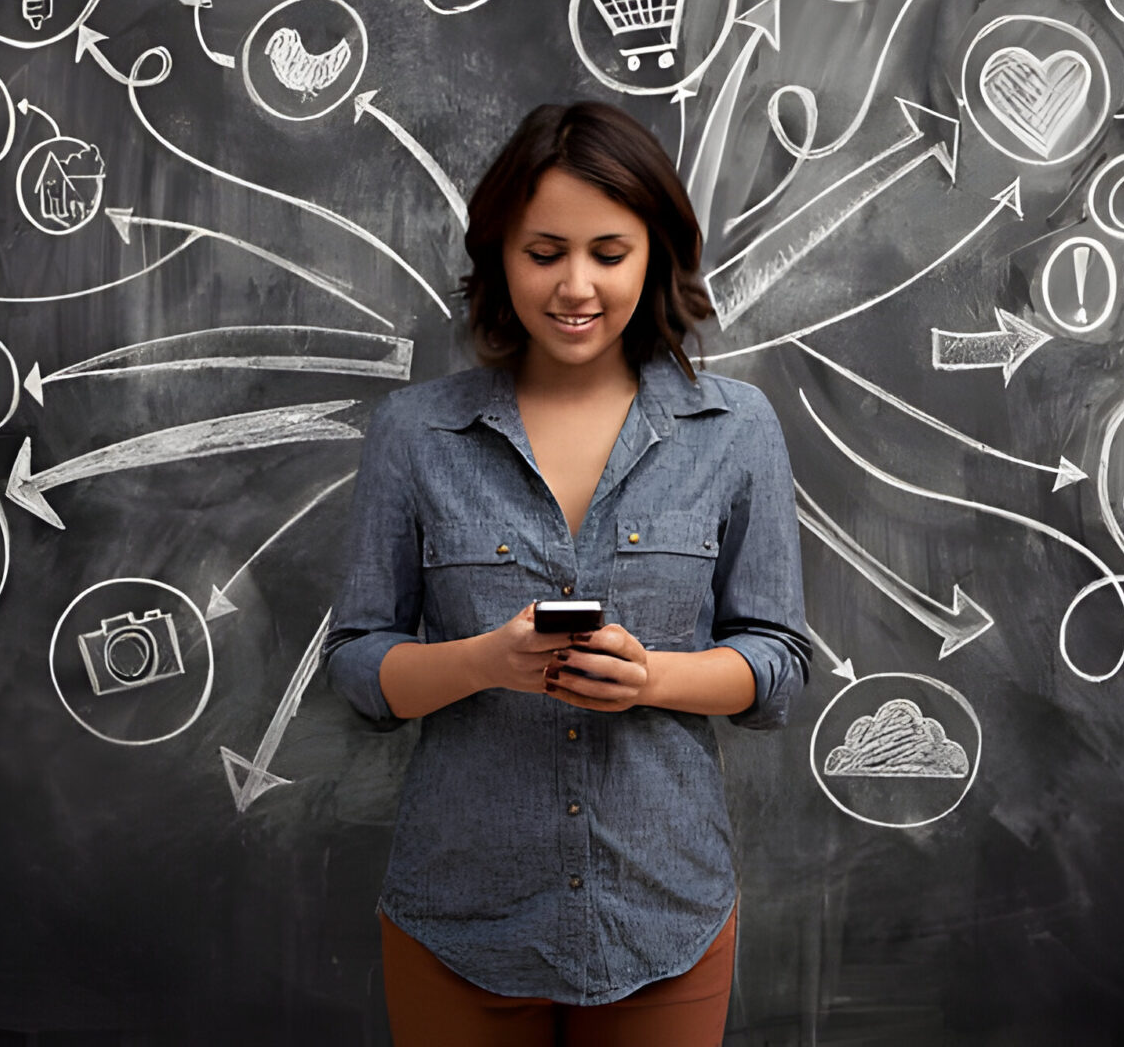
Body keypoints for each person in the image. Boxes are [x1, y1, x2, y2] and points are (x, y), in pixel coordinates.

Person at [324, 101, 809, 1046]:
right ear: (501, 256)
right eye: (544, 253)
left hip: (665, 916)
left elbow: (778, 666)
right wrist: (482, 663)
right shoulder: (416, 434)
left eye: (609, 253)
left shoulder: (737, 428)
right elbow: (357, 664)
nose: (575, 285)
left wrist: (652, 677)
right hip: (457, 920)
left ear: (656, 255)